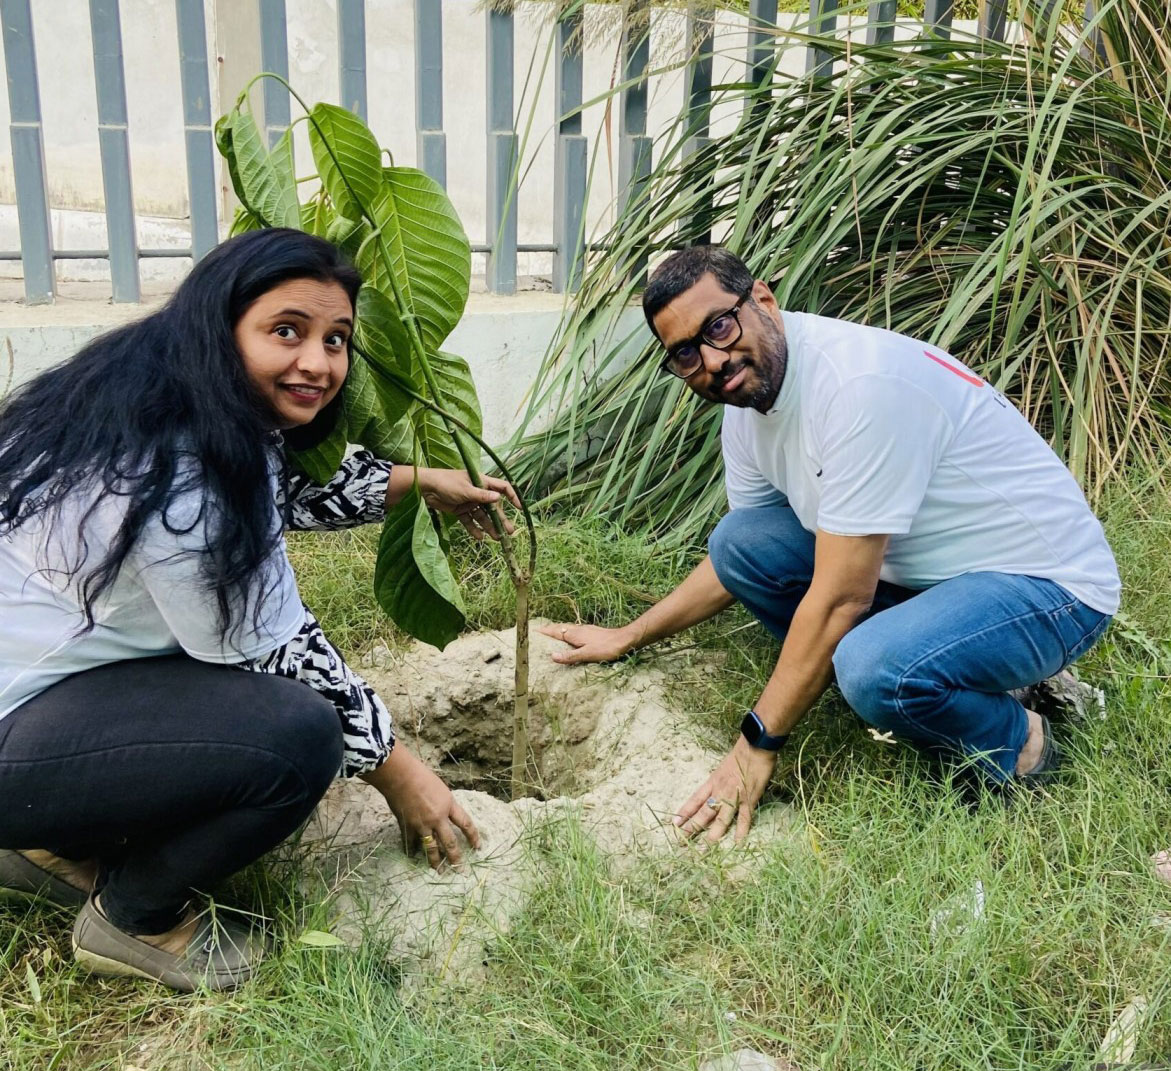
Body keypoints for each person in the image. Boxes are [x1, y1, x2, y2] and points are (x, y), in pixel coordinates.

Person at [0, 228, 515, 992]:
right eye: (287, 330)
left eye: (336, 339)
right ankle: (135, 917)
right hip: (18, 732)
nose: (319, 361)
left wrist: (416, 481)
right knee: (296, 732)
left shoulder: (173, 394)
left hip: (36, 707)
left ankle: (45, 843)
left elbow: (278, 491)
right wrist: (398, 768)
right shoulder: (176, 462)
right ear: (222, 325)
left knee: (253, 702)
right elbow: (274, 645)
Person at [542, 246, 1119, 843]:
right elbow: (739, 560)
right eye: (686, 354)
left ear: (762, 298)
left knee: (872, 666)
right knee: (742, 541)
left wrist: (756, 743)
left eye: (719, 326)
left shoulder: (858, 386)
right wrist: (631, 634)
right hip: (935, 578)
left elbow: (841, 597)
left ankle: (1020, 740)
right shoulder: (746, 407)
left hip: (1049, 587)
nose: (712, 360)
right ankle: (922, 679)